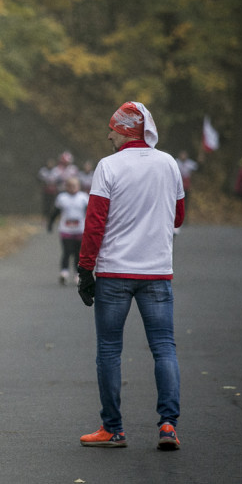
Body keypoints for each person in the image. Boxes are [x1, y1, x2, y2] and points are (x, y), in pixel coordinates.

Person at [76, 101, 185, 451]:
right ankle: (168, 425)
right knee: (164, 349)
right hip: (157, 273)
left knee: (109, 350)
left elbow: (95, 223)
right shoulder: (169, 164)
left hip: (114, 273)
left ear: (124, 130)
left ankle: (113, 429)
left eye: (112, 129)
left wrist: (84, 269)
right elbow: (178, 217)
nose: (108, 135)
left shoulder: (108, 167)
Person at [52, 177, 89, 285]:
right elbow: (56, 212)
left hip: (80, 230)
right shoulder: (62, 197)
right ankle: (64, 273)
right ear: (66, 187)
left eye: (75, 186)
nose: (72, 188)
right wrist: (50, 223)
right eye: (70, 186)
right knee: (67, 251)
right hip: (66, 229)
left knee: (78, 254)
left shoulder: (83, 197)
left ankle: (77, 275)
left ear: (79, 186)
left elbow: (89, 213)